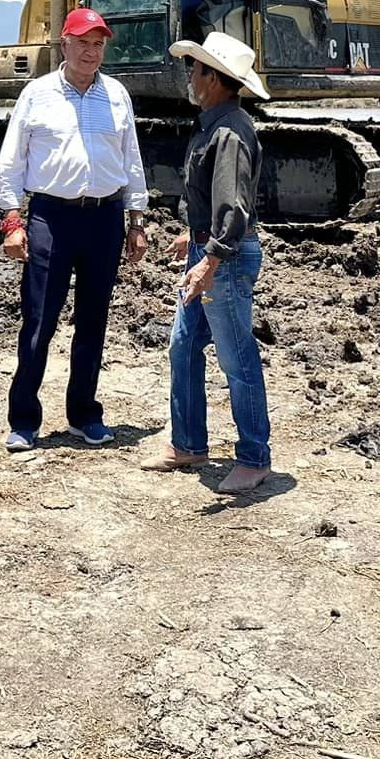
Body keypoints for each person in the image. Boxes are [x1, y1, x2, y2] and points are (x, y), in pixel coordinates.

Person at [0, 7, 149, 451]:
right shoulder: (37, 94)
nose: (91, 51)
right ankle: (24, 419)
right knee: (39, 321)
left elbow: (131, 160)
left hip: (104, 217)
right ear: (65, 43)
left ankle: (84, 415)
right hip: (51, 219)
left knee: (93, 322)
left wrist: (136, 221)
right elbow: (12, 161)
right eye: (83, 42)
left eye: (98, 44)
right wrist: (12, 221)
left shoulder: (117, 95)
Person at [145, 30, 272, 491]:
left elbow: (233, 205)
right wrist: (193, 236)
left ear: (214, 78)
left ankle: (255, 458)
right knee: (183, 346)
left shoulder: (230, 132)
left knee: (237, 357)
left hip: (226, 260)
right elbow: (211, 197)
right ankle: (189, 444)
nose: (190, 77)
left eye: (195, 70)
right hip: (209, 251)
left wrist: (210, 258)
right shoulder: (214, 126)